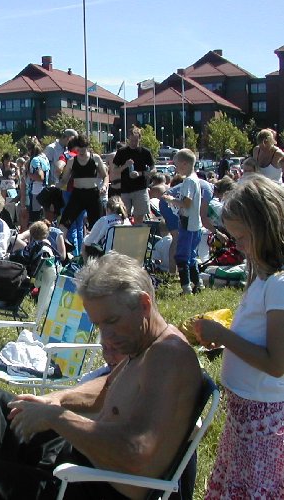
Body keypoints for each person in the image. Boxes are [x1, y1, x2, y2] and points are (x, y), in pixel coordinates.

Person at [0, 251, 202, 500]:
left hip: (87, 487)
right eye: (99, 325)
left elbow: (136, 452)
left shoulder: (168, 357)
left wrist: (57, 418)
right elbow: (108, 387)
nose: (106, 337)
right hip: (80, 458)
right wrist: (55, 400)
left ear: (144, 304)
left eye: (112, 321)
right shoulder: (143, 344)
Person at [194, 175, 284, 499]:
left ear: (264, 227)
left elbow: (276, 364)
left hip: (264, 417)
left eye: (242, 238)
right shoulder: (262, 278)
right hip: (246, 411)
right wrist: (224, 337)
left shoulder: (278, 285)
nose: (239, 246)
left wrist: (224, 336)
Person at [162, 149, 203, 294]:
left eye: (177, 164)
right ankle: (198, 284)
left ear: (185, 164)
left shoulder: (189, 181)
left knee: (181, 256)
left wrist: (171, 200)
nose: (176, 168)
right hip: (195, 224)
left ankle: (186, 288)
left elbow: (186, 203)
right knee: (191, 256)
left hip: (188, 224)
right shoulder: (195, 178)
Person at [58, 134, 108, 235]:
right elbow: (64, 180)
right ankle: (62, 242)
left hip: (93, 195)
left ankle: (96, 244)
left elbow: (105, 176)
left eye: (83, 148)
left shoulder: (95, 158)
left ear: (87, 147)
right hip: (77, 195)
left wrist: (104, 186)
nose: (81, 151)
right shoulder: (72, 161)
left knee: (97, 225)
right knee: (64, 223)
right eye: (79, 148)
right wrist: (56, 186)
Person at [113, 126, 155, 224]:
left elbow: (153, 169)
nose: (133, 143)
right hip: (126, 189)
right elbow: (115, 171)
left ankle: (138, 231)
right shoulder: (121, 152)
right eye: (131, 140)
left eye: (136, 140)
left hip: (141, 188)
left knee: (139, 216)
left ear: (139, 139)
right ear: (128, 139)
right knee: (123, 216)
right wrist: (125, 165)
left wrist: (141, 174)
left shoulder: (145, 152)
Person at [81, 195, 130, 261]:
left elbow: (89, 242)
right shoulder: (127, 220)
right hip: (126, 254)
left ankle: (87, 267)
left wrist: (88, 236)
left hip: (109, 255)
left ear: (108, 209)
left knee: (84, 243)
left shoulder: (104, 220)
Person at [27, 138, 50, 223]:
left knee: (35, 219)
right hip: (45, 190)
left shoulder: (35, 160)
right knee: (43, 218)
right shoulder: (45, 158)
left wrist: (28, 173)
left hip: (36, 192)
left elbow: (40, 177)